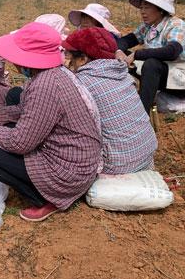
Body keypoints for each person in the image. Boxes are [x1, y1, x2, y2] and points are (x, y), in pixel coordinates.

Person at [0, 22, 102, 221]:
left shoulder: (45, 85)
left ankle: (46, 198)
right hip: (77, 162)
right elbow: (27, 111)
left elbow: (20, 142)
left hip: (67, 173)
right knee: (4, 130)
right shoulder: (55, 73)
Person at [63, 27, 156, 174]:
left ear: (82, 59)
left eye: (71, 58)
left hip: (116, 165)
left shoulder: (82, 83)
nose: (69, 62)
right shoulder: (123, 74)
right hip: (146, 154)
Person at [116, 0, 185, 113]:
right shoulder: (148, 26)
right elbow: (126, 40)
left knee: (151, 64)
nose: (142, 11)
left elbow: (172, 52)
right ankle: (123, 95)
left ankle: (141, 115)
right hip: (166, 72)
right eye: (141, 7)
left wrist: (138, 54)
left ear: (160, 10)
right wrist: (119, 52)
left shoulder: (176, 25)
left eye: (147, 7)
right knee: (124, 55)